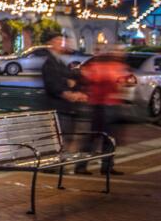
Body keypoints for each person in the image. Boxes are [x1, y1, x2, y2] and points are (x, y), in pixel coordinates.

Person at [73, 47, 126, 175]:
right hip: (100, 106)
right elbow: (94, 79)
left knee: (107, 138)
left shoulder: (114, 66)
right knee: (95, 137)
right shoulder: (101, 66)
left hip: (109, 105)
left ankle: (106, 166)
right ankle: (82, 166)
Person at [40, 32, 84, 136]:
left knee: (65, 136)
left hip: (64, 106)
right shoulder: (49, 62)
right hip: (57, 106)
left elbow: (69, 77)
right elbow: (52, 82)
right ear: (51, 42)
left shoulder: (59, 60)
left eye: (61, 40)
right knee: (59, 136)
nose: (61, 43)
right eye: (57, 40)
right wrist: (67, 92)